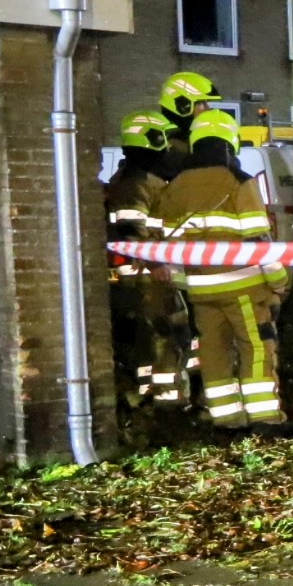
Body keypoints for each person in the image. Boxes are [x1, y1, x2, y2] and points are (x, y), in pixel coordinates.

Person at [158, 108, 289, 428]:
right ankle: (264, 418)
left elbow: (167, 246)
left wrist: (184, 283)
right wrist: (278, 279)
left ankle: (227, 419)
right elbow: (259, 238)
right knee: (256, 347)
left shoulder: (174, 186)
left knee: (213, 352)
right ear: (230, 141)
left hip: (201, 291)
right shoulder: (238, 181)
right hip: (242, 287)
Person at [104, 109, 188, 407]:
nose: (168, 148)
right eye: (163, 139)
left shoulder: (146, 180)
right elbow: (130, 229)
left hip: (153, 274)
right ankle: (166, 403)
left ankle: (160, 398)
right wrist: (155, 263)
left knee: (167, 336)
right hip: (145, 278)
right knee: (161, 338)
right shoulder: (135, 183)